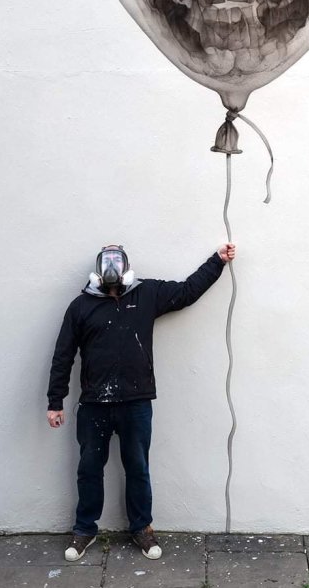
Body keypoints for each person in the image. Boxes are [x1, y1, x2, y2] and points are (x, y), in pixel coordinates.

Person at [47, 241, 235, 563]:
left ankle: (141, 528)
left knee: (138, 468)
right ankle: (85, 529)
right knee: (89, 468)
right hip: (94, 404)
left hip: (136, 403)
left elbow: (187, 292)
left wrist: (216, 261)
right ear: (98, 272)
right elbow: (63, 355)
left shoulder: (146, 294)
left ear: (125, 270)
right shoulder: (80, 307)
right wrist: (56, 400)